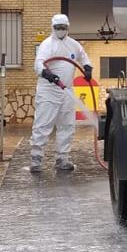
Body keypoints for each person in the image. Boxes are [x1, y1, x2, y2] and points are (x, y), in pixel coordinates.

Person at [31, 13, 93, 173]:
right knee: (43, 125)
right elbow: (38, 63)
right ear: (53, 28)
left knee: (67, 125)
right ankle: (36, 159)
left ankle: (62, 159)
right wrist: (47, 74)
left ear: (68, 28)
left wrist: (87, 68)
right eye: (58, 28)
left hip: (67, 91)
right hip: (49, 91)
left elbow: (83, 57)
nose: (61, 30)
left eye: (63, 28)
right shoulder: (47, 45)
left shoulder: (73, 45)